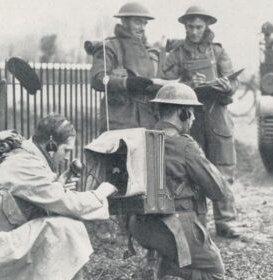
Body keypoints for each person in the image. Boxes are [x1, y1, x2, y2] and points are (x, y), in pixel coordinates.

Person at [0, 114, 118, 280]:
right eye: (65, 150)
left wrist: (56, 184)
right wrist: (102, 192)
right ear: (51, 145)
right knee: (67, 230)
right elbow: (72, 205)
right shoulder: (26, 165)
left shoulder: (21, 152)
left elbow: (26, 197)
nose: (67, 157)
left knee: (58, 228)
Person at [129, 83, 228, 279]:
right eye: (191, 112)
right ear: (182, 113)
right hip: (173, 227)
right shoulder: (184, 145)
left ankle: (161, 270)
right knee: (215, 273)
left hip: (138, 225)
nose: (194, 118)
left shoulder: (140, 139)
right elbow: (218, 190)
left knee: (172, 258)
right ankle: (166, 273)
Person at [162, 5, 242, 238]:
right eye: (190, 27)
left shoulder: (218, 51)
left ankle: (226, 221)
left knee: (223, 168)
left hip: (217, 115)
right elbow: (165, 83)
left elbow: (233, 80)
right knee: (194, 170)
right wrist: (187, 83)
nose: (194, 31)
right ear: (184, 27)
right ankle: (198, 224)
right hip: (189, 118)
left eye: (198, 27)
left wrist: (228, 85)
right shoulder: (176, 53)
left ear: (207, 26)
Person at [88, 2, 159, 132]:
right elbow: (97, 78)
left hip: (148, 119)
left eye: (144, 23)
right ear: (124, 22)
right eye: (138, 22)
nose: (142, 28)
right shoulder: (110, 47)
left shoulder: (149, 51)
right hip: (119, 120)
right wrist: (125, 83)